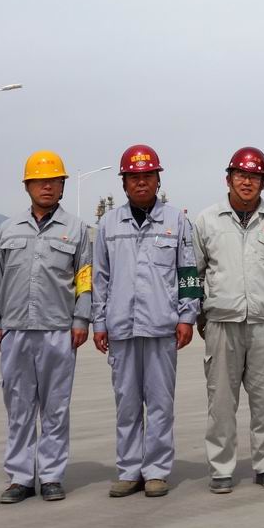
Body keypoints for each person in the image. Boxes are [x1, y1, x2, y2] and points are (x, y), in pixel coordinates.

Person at [0, 150, 92, 504]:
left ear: (62, 186)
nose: (47, 187)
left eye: (53, 181)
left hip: (59, 331)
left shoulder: (76, 230)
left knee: (56, 408)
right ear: (27, 186)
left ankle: (52, 475)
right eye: (39, 181)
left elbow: (85, 279)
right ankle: (21, 477)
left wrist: (81, 319)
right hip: (15, 331)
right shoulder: (8, 229)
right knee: (19, 407)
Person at [91, 143, 198, 498]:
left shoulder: (176, 221)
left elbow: (188, 272)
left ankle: (156, 470)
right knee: (126, 404)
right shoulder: (108, 224)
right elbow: (100, 278)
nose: (141, 182)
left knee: (160, 403)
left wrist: (187, 315)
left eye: (148, 176)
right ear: (123, 183)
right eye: (134, 177)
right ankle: (129, 470)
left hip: (161, 327)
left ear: (158, 180)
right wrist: (99, 322)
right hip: (121, 327)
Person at [192, 147, 264, 494]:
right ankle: (222, 468)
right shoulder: (207, 220)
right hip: (222, 322)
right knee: (221, 402)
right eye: (241, 175)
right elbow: (193, 273)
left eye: (255, 177)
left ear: (263, 182)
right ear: (229, 179)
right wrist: (198, 313)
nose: (247, 182)